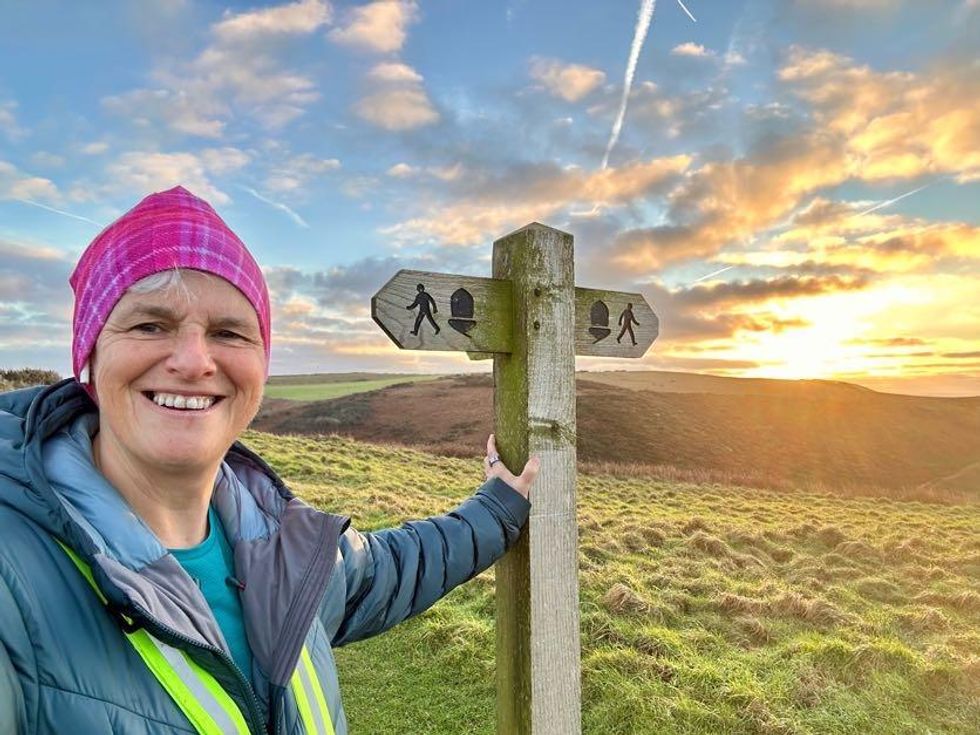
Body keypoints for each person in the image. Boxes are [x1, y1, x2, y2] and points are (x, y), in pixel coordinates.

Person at [0, 186, 539, 735]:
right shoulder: (11, 574)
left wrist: (497, 507)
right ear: (89, 355)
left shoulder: (283, 545)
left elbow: (392, 569)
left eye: (228, 332)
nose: (192, 361)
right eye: (149, 325)